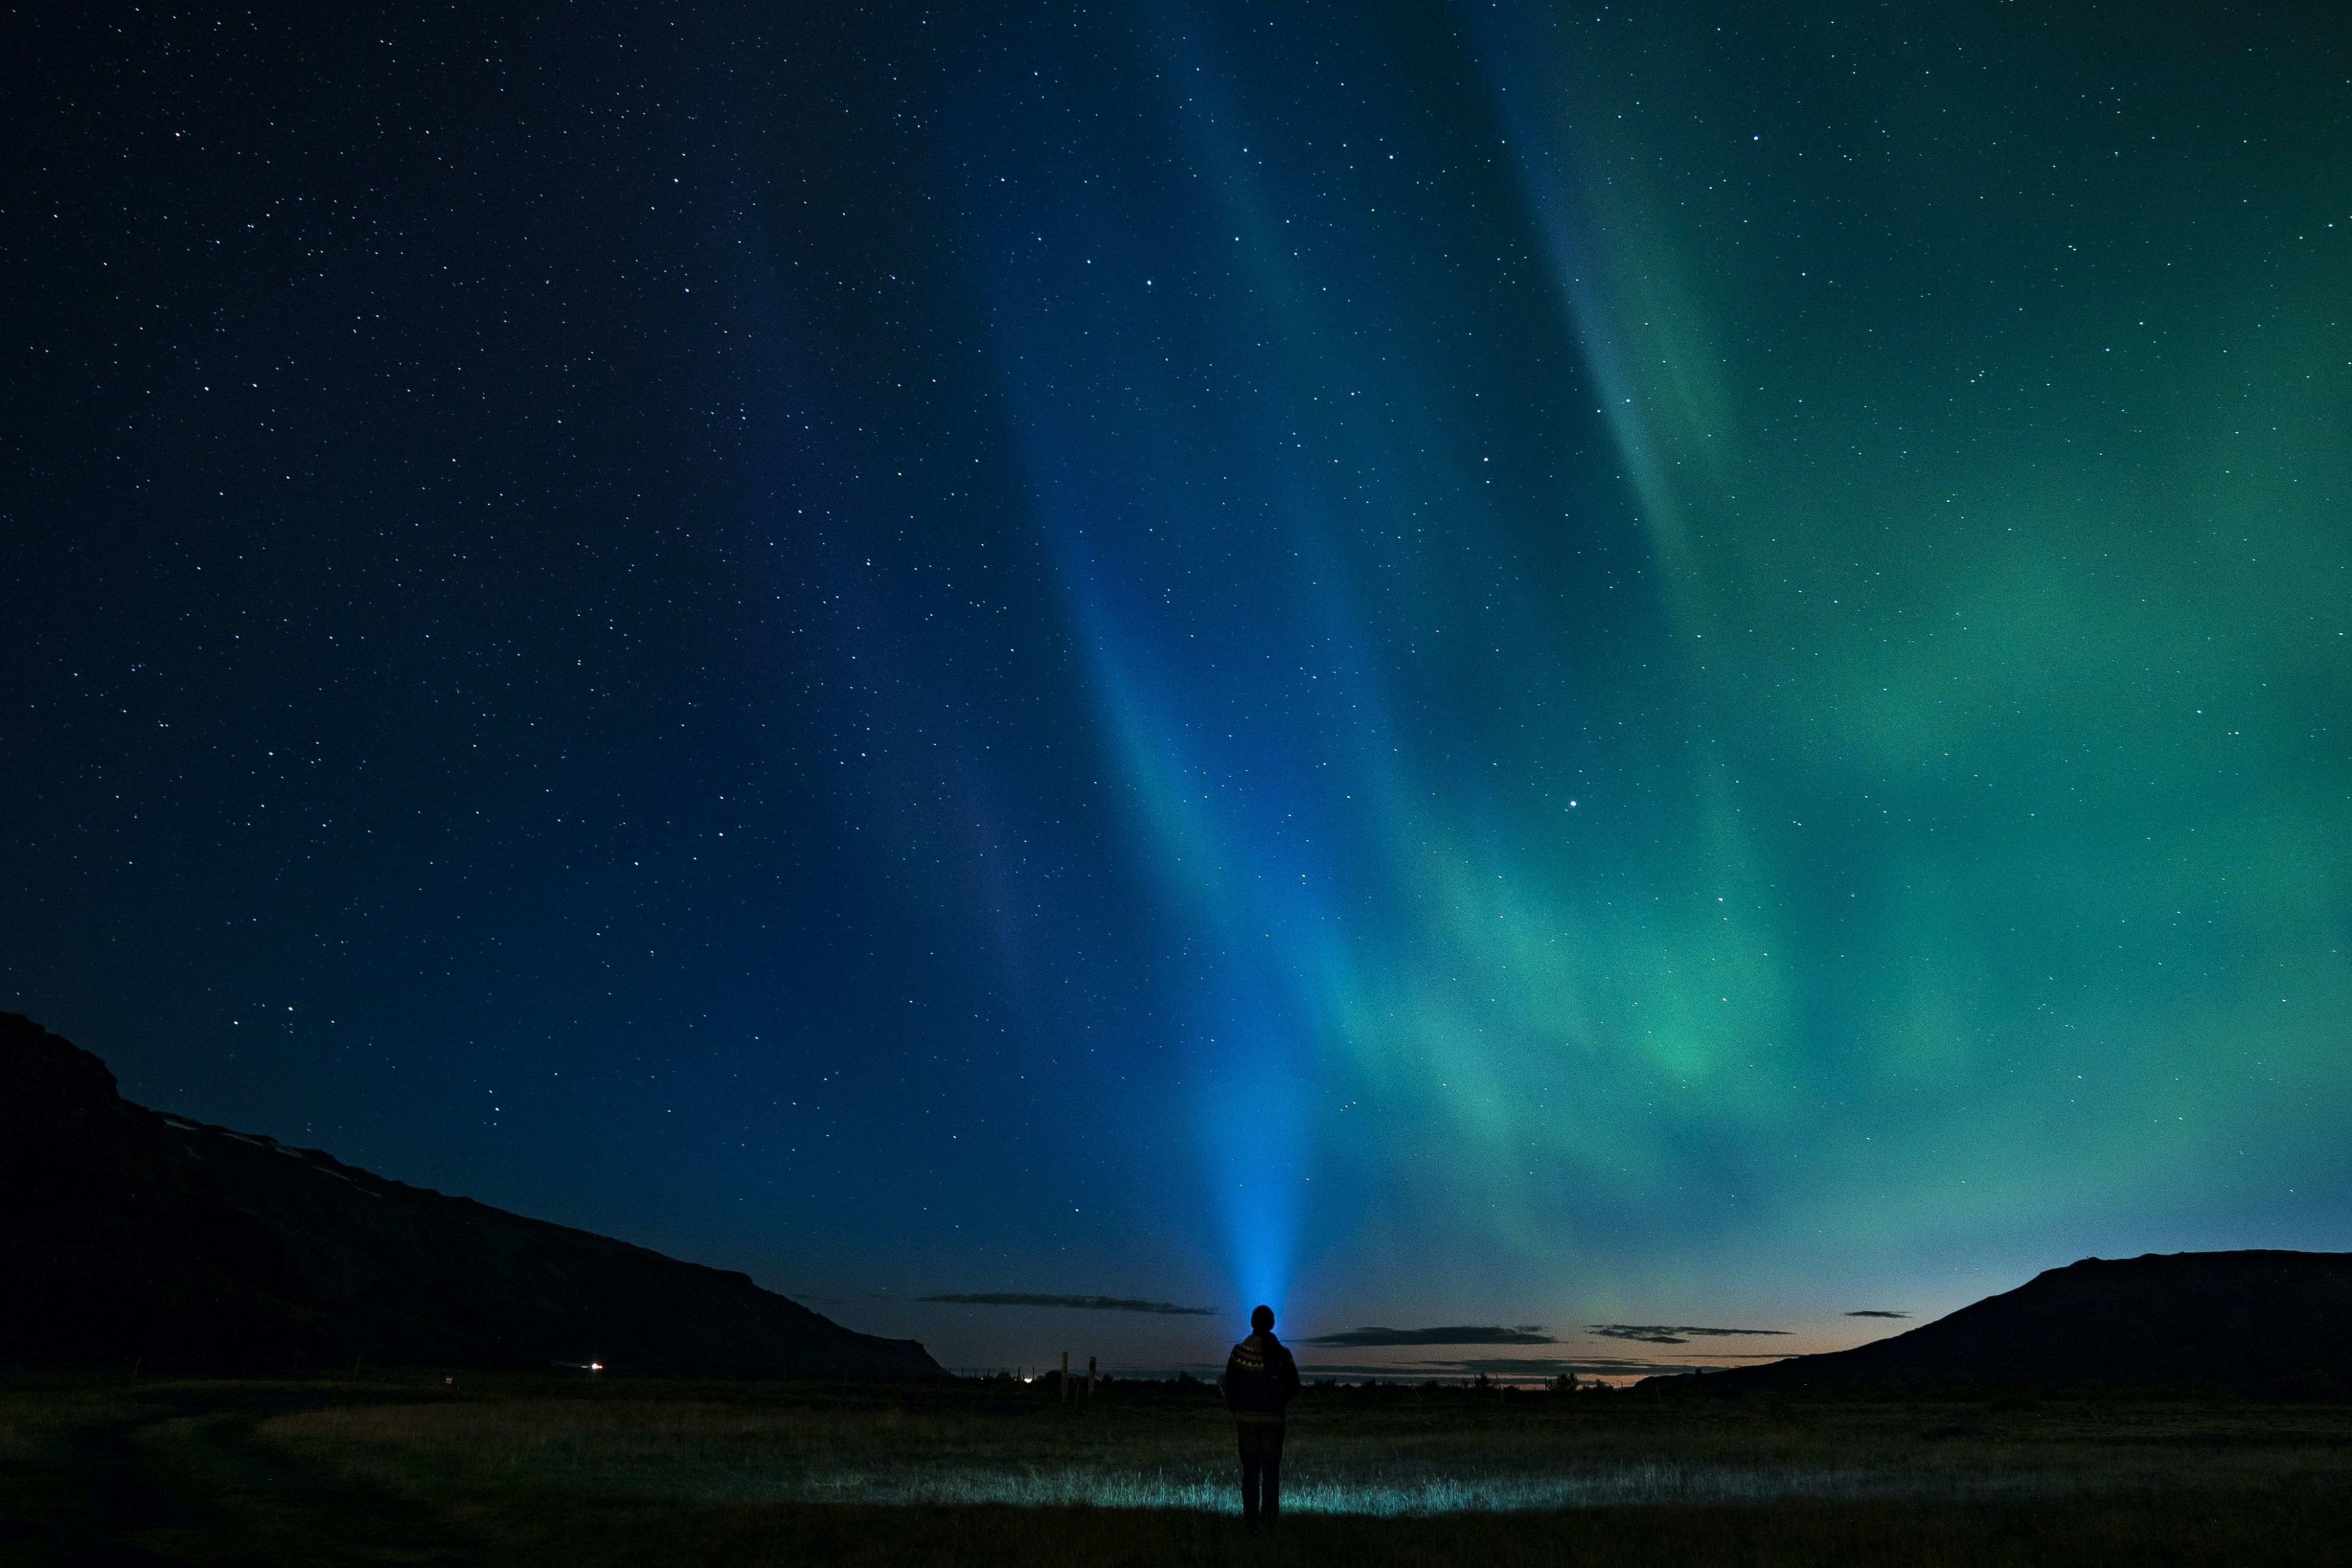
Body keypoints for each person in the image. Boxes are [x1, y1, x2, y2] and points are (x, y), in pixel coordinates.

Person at [1221, 1303, 1302, 1526]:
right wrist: (1276, 1402)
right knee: (1271, 1472)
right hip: (1274, 1421)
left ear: (1252, 1323)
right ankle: (1270, 1519)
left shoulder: (1238, 1353)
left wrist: (1239, 1409)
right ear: (1273, 1324)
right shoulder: (1283, 1355)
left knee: (1250, 1471)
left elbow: (1230, 1387)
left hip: (1246, 1421)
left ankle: (1251, 1520)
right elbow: (1295, 1386)